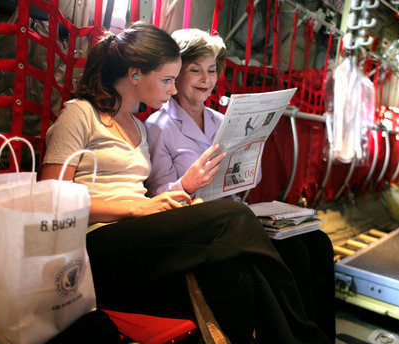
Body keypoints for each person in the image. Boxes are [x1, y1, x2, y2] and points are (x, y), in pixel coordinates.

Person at [40, 22, 330, 344]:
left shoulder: (136, 127)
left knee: (241, 271)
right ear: (135, 75)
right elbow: (50, 202)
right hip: (97, 238)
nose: (172, 89)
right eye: (166, 80)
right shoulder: (80, 115)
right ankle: (305, 335)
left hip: (142, 227)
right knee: (234, 217)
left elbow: (150, 197)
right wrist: (137, 209)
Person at [145, 28, 336, 342]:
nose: (206, 79)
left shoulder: (221, 121)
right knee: (296, 257)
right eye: (195, 70)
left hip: (236, 216)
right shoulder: (159, 126)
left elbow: (248, 183)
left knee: (318, 244)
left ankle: (322, 337)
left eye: (212, 70)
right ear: (177, 74)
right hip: (201, 224)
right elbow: (156, 194)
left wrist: (252, 155)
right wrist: (187, 183)